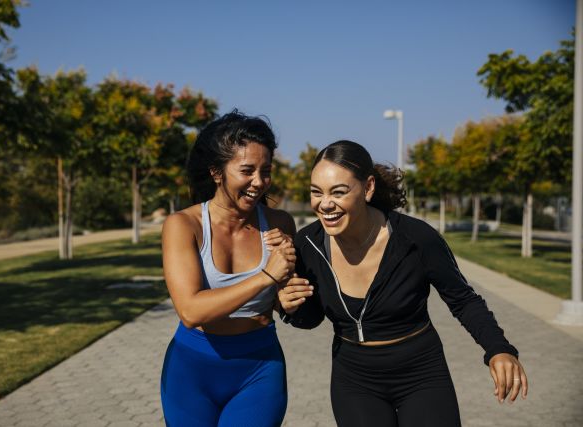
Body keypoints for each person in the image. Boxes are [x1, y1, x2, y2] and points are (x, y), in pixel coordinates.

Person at [278, 140, 528, 427]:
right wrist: (290, 306)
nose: (325, 204)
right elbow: (310, 318)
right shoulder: (308, 244)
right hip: (355, 381)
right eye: (316, 192)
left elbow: (463, 299)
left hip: (421, 374)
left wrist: (499, 349)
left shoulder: (415, 239)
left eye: (339, 192)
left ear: (368, 187)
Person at [160, 111, 296, 426]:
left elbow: (284, 297)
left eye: (266, 171)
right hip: (191, 373)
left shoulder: (280, 223)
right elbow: (191, 310)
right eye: (247, 170)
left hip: (259, 369)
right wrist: (267, 276)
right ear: (216, 172)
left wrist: (288, 295)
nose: (259, 182)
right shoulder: (184, 225)